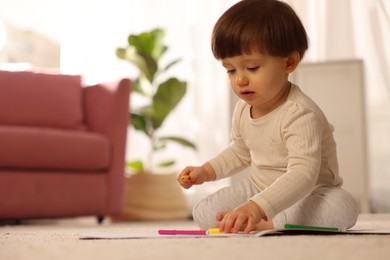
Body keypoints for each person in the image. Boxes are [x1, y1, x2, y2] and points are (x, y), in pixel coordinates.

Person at [177, 0, 359, 234]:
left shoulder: (300, 114)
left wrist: (256, 208)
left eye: (251, 68)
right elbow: (240, 151)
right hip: (260, 189)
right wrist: (206, 171)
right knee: (203, 212)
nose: (240, 79)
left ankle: (269, 222)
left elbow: (303, 175)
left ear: (289, 62)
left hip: (309, 193)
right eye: (231, 70)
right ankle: (269, 220)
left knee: (342, 208)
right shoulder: (243, 108)